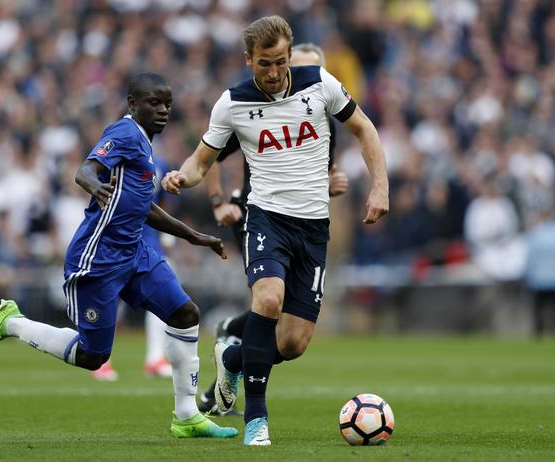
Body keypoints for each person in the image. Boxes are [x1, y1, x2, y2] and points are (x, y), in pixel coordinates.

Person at [0, 73, 238, 439]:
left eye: (167, 104)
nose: (162, 110)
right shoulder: (125, 134)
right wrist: (94, 184)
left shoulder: (144, 144)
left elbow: (145, 207)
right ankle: (11, 322)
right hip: (98, 257)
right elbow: (87, 169)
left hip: (136, 253)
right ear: (132, 104)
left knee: (186, 314)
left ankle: (187, 415)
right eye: (153, 103)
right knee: (94, 356)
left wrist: (194, 236)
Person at [162, 16, 389, 446]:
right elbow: (201, 162)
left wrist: (380, 187)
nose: (274, 71)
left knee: (292, 342)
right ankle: (257, 420)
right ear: (249, 59)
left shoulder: (319, 83)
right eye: (265, 63)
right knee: (268, 299)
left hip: (314, 227)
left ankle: (232, 356)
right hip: (265, 218)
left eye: (281, 62)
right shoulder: (233, 103)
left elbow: (365, 129)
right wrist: (181, 176)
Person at [197, 41, 349, 416]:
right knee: (270, 302)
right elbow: (209, 153)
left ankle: (231, 347)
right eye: (294, 65)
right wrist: (220, 202)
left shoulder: (326, 115)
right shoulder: (253, 107)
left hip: (307, 222)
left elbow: (314, 173)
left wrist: (327, 184)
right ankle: (252, 409)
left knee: (289, 331)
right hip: (260, 214)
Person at [91, 155, 175, 381]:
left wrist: (167, 236)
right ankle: (100, 359)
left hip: (150, 241)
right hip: (118, 240)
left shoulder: (160, 163)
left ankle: (155, 358)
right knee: (111, 297)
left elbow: (163, 202)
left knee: (161, 297)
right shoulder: (112, 160)